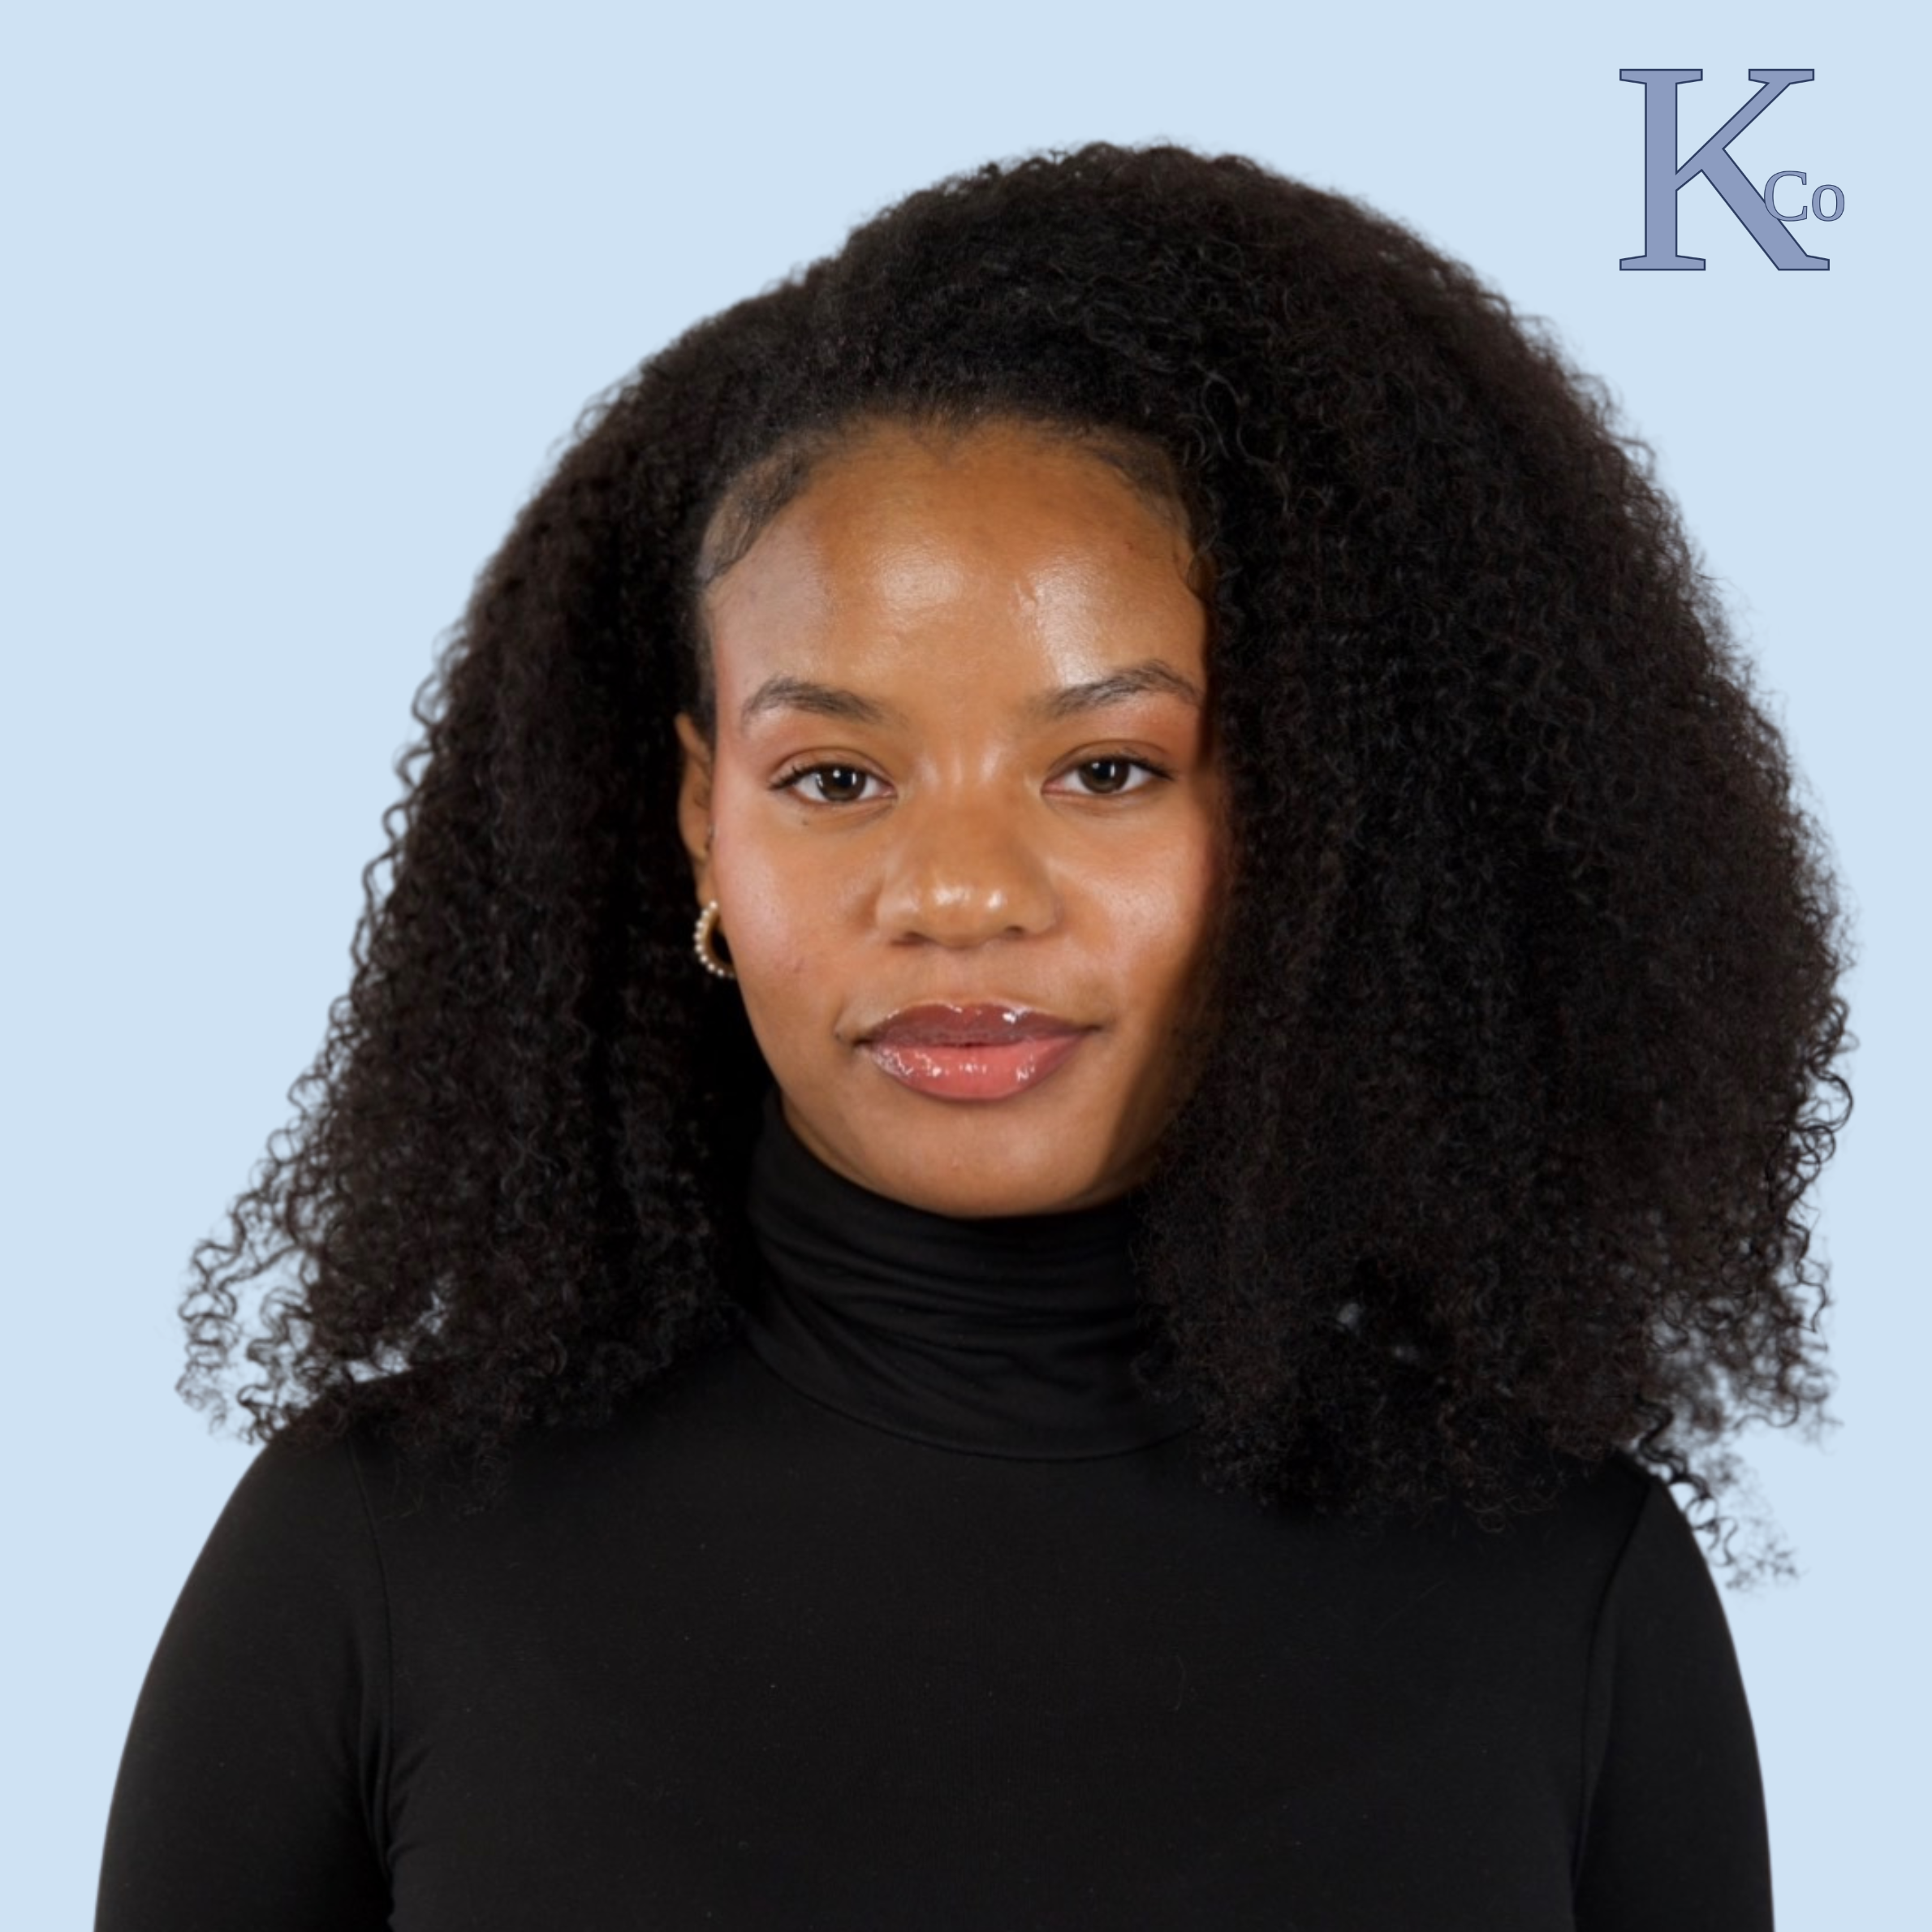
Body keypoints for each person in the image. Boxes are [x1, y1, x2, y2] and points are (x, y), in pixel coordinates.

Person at [96, 144, 1852, 1930]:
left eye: (1106, 769)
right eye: (833, 777)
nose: (956, 894)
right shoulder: (374, 1559)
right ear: (703, 823)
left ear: (1309, 826)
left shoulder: (1563, 1592)